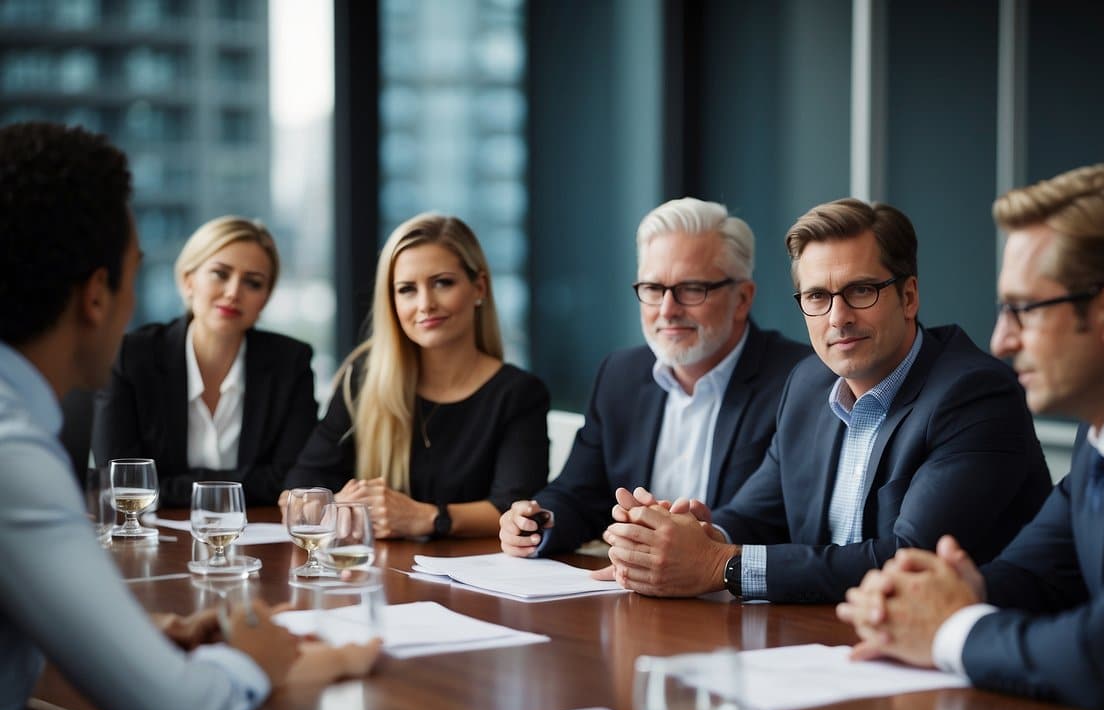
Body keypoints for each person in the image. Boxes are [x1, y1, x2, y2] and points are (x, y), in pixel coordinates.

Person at [0, 122, 377, 710]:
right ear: (96, 294)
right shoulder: (15, 458)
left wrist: (143, 640)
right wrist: (259, 657)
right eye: (137, 272)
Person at [837, 163, 1104, 710]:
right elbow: (1040, 573)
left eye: (1023, 310)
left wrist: (947, 631)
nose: (1001, 339)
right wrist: (948, 592)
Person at [602, 198, 1052, 602]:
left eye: (861, 291)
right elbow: (759, 514)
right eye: (817, 296)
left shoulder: (973, 394)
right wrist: (695, 535)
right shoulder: (807, 384)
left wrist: (720, 565)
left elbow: (910, 560)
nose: (838, 318)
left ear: (908, 296)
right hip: (819, 642)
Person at [499, 197, 813, 557]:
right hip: (637, 594)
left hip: (743, 595)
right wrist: (536, 522)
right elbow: (577, 493)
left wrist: (696, 544)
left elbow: (778, 515)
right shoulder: (620, 375)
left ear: (742, 298)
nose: (667, 310)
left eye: (692, 288)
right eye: (652, 289)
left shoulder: (800, 381)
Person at [284, 213, 549, 539]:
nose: (425, 304)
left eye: (443, 283)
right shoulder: (363, 377)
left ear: (478, 287)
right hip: (377, 575)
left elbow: (516, 507)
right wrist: (338, 505)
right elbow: (301, 485)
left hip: (476, 577)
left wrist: (425, 517)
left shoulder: (520, 393)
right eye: (407, 289)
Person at [92, 216, 317, 507]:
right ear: (188, 281)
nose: (234, 292)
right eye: (220, 274)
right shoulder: (131, 356)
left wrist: (170, 485)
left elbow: (291, 480)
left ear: (264, 300)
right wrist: (240, 485)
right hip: (149, 540)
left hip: (255, 543)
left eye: (253, 282)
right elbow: (119, 481)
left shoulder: (291, 363)